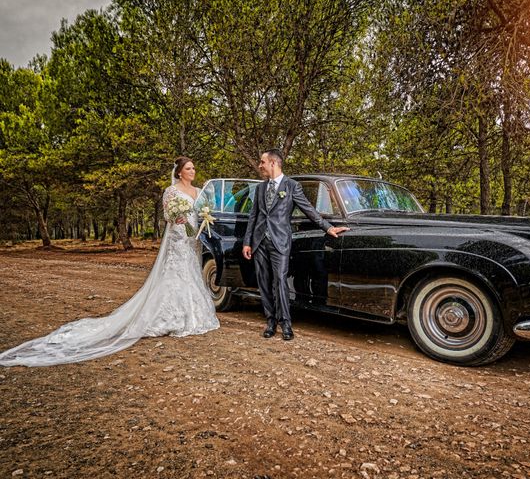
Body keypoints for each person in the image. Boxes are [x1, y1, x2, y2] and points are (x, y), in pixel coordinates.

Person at [0, 157, 219, 367]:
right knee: (175, 274)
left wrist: (206, 218)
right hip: (178, 237)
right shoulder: (171, 191)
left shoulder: (199, 192)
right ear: (179, 172)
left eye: (193, 168)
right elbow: (167, 215)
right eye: (189, 168)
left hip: (192, 239)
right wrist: (176, 217)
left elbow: (201, 213)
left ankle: (193, 314)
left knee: (191, 271)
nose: (193, 171)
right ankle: (169, 317)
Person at [242, 149, 349, 340]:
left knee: (280, 281)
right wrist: (247, 242)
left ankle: (285, 324)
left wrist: (328, 228)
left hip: (280, 242)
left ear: (273, 163)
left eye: (262, 162)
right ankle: (270, 322)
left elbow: (308, 209)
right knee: (263, 283)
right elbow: (254, 216)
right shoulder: (259, 188)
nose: (260, 166)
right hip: (259, 242)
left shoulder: (292, 186)